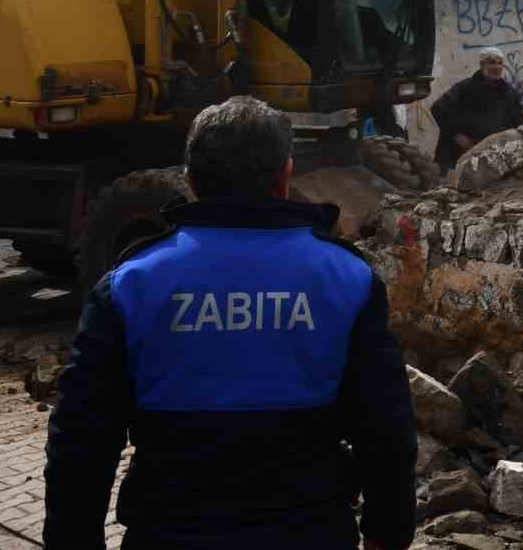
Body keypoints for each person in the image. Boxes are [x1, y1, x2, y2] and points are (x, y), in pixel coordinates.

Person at [43, 96, 417, 550]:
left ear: (190, 180)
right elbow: (387, 427)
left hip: (168, 534)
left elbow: (81, 441)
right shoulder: (347, 278)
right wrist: (388, 532)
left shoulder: (129, 285)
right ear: (284, 177)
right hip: (311, 533)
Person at [431, 47, 523, 171]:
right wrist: (457, 135)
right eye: (492, 62)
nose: (497, 67)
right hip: (459, 156)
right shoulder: (465, 88)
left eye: (500, 63)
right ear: (482, 65)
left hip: (491, 159)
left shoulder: (507, 91)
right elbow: (438, 109)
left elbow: (517, 121)